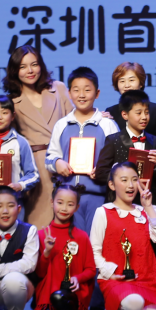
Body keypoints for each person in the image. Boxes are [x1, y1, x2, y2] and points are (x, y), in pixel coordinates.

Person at [90, 163, 156, 310]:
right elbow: (94, 250)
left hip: (146, 280)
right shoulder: (104, 212)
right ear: (112, 185)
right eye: (124, 180)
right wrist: (109, 272)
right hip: (117, 279)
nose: (130, 185)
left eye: (134, 180)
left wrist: (148, 206)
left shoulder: (144, 212)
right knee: (134, 303)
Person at [6, 45, 74, 227]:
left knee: (69, 220)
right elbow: (6, 136)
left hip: (66, 160)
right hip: (36, 166)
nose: (30, 70)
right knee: (40, 222)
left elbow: (75, 120)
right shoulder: (12, 102)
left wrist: (95, 116)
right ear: (15, 71)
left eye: (34, 64)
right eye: (23, 67)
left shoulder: (58, 88)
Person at [46, 66, 120, 235]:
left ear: (97, 93)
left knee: (96, 241)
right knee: (70, 242)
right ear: (69, 93)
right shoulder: (61, 125)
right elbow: (49, 158)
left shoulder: (107, 125)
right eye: (76, 90)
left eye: (87, 90)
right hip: (67, 198)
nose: (81, 95)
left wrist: (103, 171)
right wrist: (57, 163)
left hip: (98, 195)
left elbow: (118, 162)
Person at [32, 185, 97, 310]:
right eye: (60, 202)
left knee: (59, 297)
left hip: (72, 293)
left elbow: (91, 270)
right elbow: (39, 273)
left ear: (77, 207)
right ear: (52, 202)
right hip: (48, 295)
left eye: (70, 204)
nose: (64, 208)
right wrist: (46, 252)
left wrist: (77, 278)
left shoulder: (81, 236)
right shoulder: (41, 235)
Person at [107, 63, 156, 211]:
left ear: (141, 83)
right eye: (122, 81)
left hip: (151, 183)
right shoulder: (110, 113)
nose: (127, 85)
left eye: (131, 80)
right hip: (121, 186)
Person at [96, 90, 156, 207]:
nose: (144, 117)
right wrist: (120, 178)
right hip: (119, 203)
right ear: (125, 115)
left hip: (147, 203)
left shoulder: (155, 141)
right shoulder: (113, 140)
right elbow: (100, 173)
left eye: (147, 112)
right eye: (138, 113)